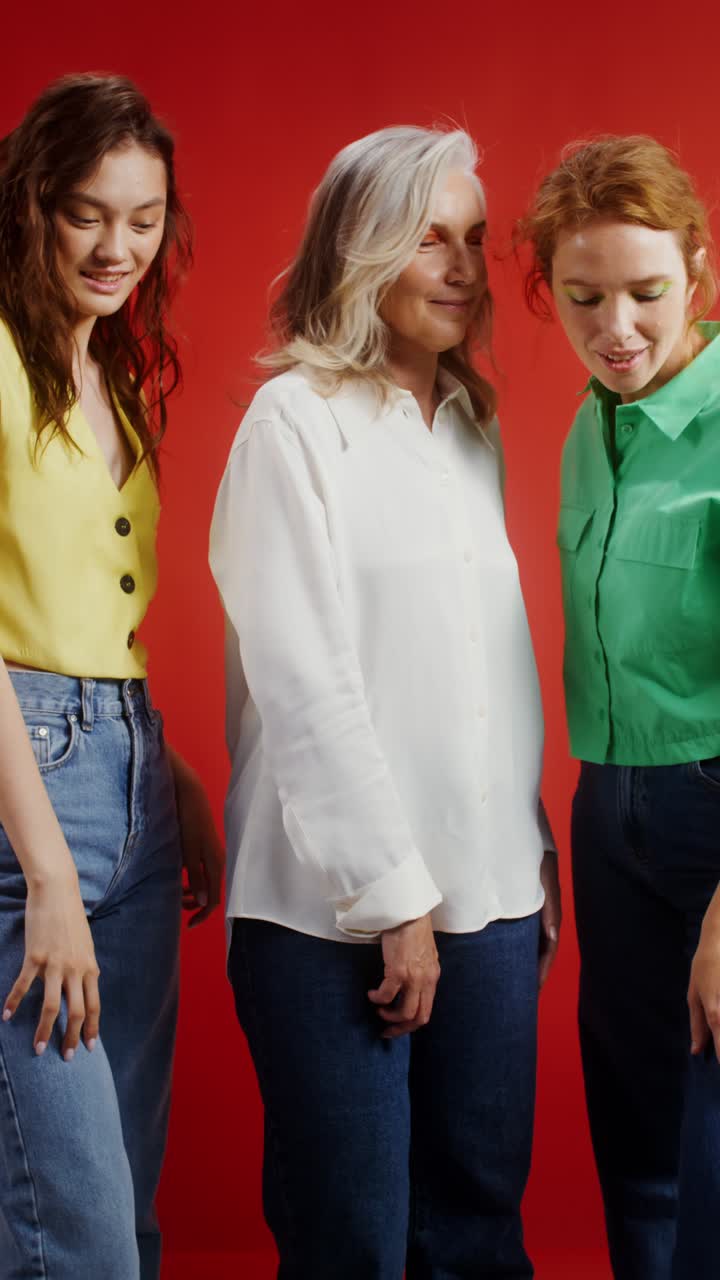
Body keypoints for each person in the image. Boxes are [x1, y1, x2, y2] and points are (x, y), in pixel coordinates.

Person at [210, 125, 560, 1279]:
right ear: (360, 249)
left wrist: (530, 844)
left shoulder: (470, 428)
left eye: (472, 239)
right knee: (351, 1237)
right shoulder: (292, 426)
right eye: (428, 239)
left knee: (475, 1229)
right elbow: (304, 683)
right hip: (330, 914)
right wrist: (396, 899)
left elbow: (476, 662)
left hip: (495, 893)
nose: (461, 266)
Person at [0, 74, 223, 1280]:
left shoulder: (114, 371)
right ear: (33, 204)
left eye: (144, 218)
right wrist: (45, 870)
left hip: (128, 774)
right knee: (71, 1225)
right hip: (24, 794)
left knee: (126, 1197)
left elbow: (91, 607)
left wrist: (166, 765)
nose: (118, 246)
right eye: (90, 213)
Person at [520, 135, 720, 1280]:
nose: (619, 329)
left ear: (697, 264)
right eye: (585, 298)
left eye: (648, 292)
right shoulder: (586, 433)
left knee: (711, 1146)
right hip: (610, 812)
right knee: (635, 1137)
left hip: (711, 807)